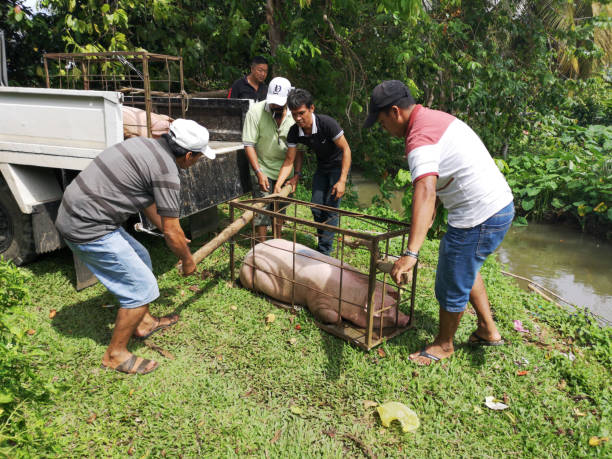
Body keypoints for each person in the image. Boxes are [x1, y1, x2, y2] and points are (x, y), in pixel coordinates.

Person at [363, 80, 514, 365]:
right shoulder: (435, 119)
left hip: (478, 216)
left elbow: (426, 190)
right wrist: (426, 222)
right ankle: (487, 329)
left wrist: (410, 253)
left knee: (451, 279)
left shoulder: (418, 138)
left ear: (395, 112)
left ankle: (444, 344)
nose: (384, 130)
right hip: (498, 206)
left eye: (382, 123)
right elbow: (445, 177)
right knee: (465, 267)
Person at [55, 119, 215, 375]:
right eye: (198, 158)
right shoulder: (167, 172)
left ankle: (144, 322)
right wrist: (187, 259)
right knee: (142, 288)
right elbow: (174, 231)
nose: (196, 162)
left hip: (81, 213)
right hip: (86, 226)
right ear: (187, 155)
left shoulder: (145, 145)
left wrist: (167, 230)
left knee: (140, 257)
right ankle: (115, 354)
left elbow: (146, 201)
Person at [275, 89, 351, 256]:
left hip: (338, 166)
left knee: (331, 209)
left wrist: (343, 180)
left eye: (301, 113)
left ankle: (324, 252)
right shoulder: (294, 131)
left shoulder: (327, 124)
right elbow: (289, 160)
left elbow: (346, 149)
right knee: (316, 207)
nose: (298, 118)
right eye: (294, 114)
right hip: (322, 166)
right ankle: (324, 237)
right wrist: (279, 184)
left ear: (311, 108)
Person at [242, 76, 296, 242]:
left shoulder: (295, 115)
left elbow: (298, 151)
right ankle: (262, 243)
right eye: (273, 102)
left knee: (280, 208)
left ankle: (277, 240)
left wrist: (296, 175)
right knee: (262, 208)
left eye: (280, 103)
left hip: (285, 168)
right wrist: (258, 172)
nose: (276, 106)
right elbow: (249, 144)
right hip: (262, 166)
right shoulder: (255, 111)